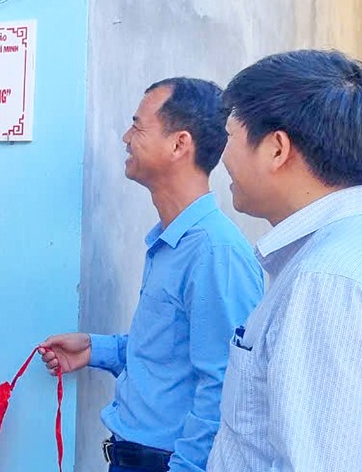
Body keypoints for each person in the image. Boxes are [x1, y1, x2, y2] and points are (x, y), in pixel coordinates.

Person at [207, 49, 362, 472]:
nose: (223, 158)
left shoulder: (328, 282)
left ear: (276, 149)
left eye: (231, 137)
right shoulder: (358, 252)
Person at [40, 78, 263, 472]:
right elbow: (171, 353)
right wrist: (95, 350)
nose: (126, 137)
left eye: (138, 126)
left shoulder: (214, 252)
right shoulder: (171, 241)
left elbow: (226, 386)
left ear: (180, 144)